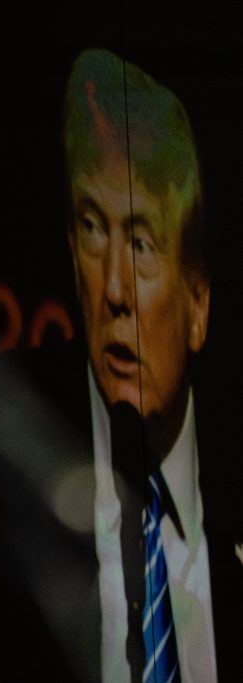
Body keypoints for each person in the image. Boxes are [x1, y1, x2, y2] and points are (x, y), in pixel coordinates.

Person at [38, 47, 239, 682]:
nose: (115, 290)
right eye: (94, 231)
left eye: (143, 242)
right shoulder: (28, 517)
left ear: (198, 303)